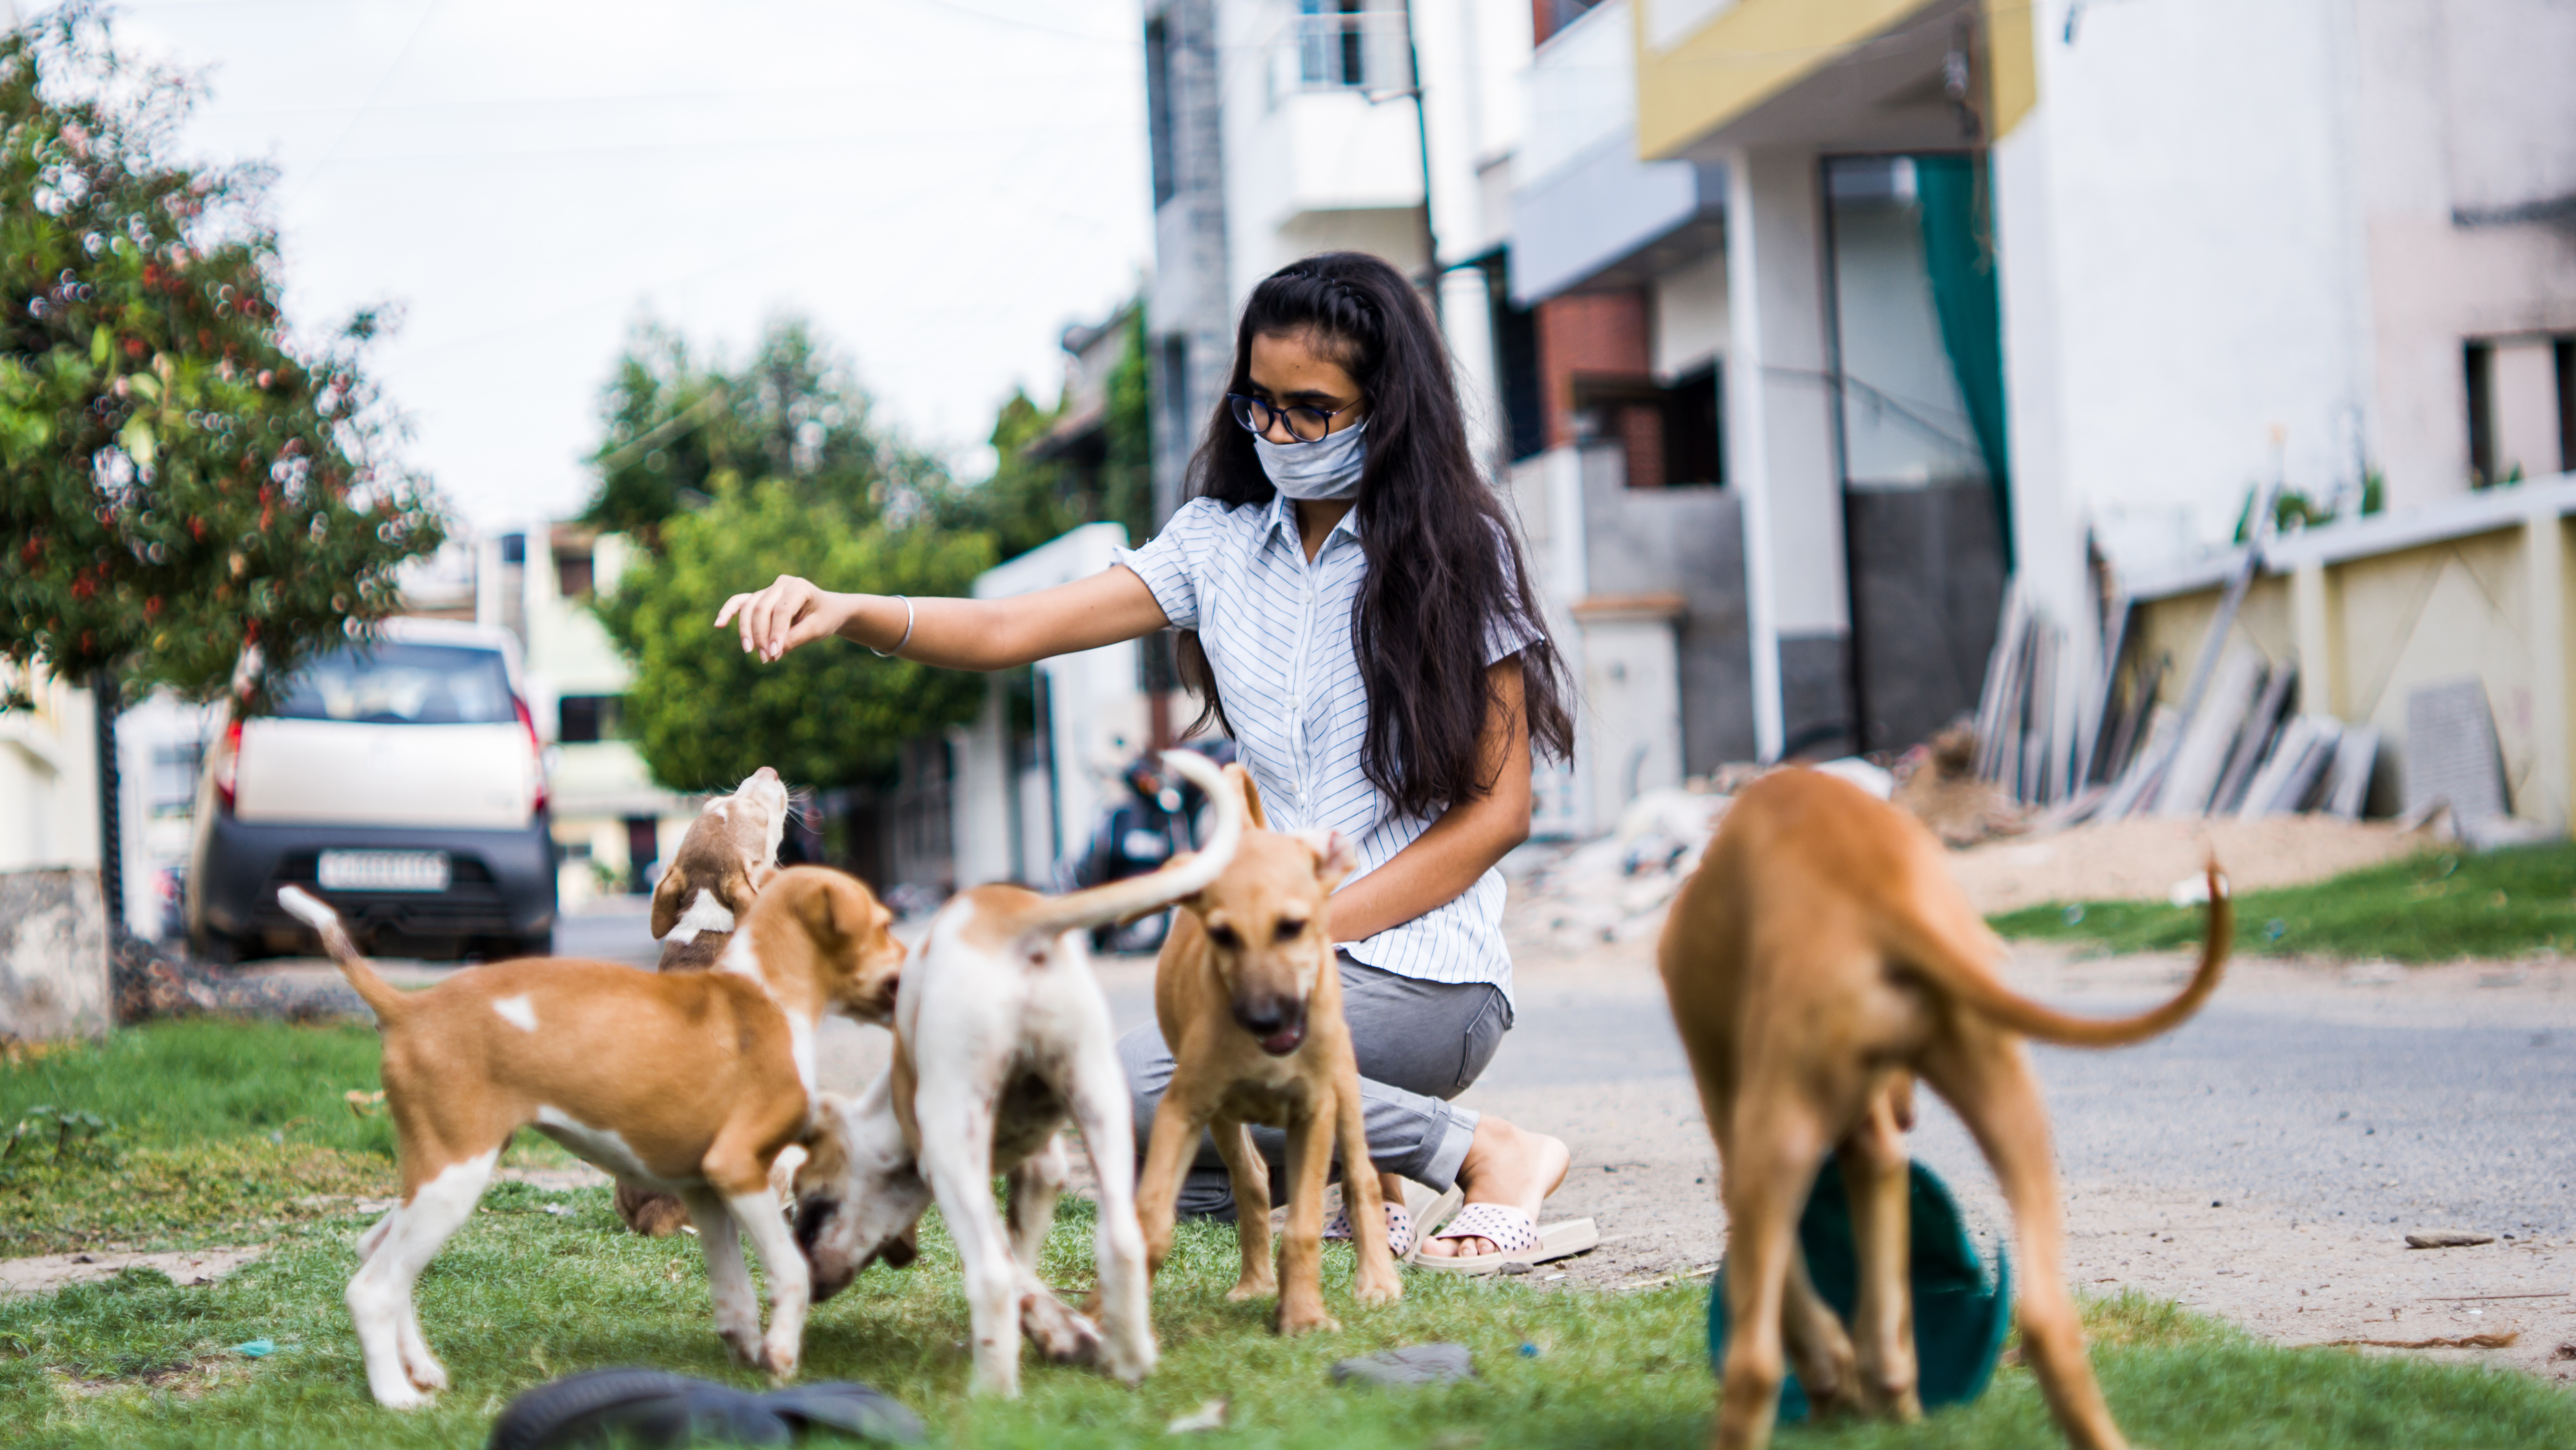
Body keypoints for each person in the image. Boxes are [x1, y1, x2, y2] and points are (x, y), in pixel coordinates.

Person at [715, 251, 1576, 1262]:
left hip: (1421, 979)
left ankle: (1485, 1149)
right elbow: (1009, 631)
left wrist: (1308, 928)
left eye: (1312, 409)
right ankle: (1359, 1173)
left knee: (1124, 1086)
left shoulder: (1457, 554)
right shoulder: (1217, 547)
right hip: (1267, 972)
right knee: (1131, 1147)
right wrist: (851, 607)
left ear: (1387, 410)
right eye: (1257, 403)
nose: (1277, 433)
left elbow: (1499, 810)